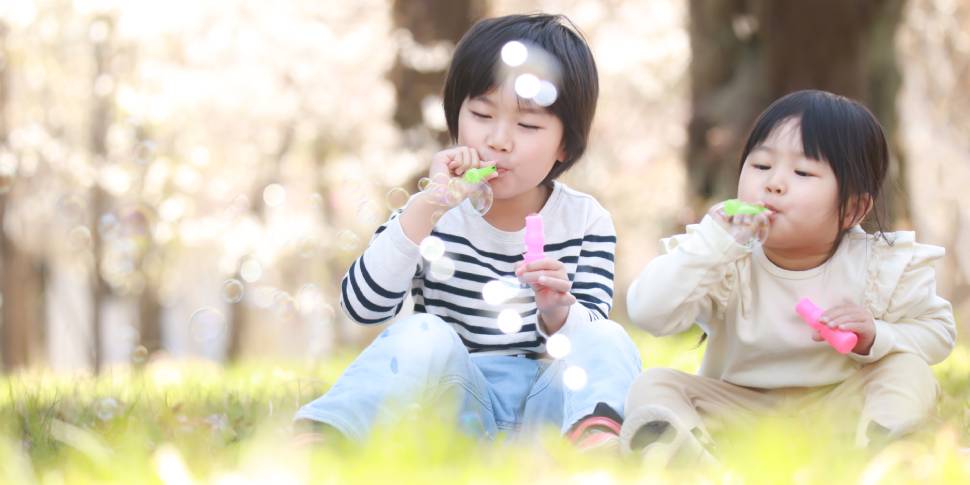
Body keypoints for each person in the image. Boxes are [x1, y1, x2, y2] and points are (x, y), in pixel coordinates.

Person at [295, 13, 640, 451]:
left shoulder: (587, 222)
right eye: (481, 114)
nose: (499, 140)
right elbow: (362, 307)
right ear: (455, 116)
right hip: (458, 409)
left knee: (607, 335)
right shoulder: (433, 214)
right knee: (422, 331)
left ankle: (596, 442)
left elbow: (591, 342)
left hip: (553, 415)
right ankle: (326, 436)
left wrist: (558, 313)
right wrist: (428, 207)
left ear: (565, 145)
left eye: (528, 125)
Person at [620, 90, 956, 464]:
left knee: (907, 369)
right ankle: (696, 462)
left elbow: (939, 334)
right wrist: (713, 242)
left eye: (802, 172)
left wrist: (876, 336)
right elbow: (649, 312)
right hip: (740, 411)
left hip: (839, 409)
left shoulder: (880, 264)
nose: (774, 183)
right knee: (653, 385)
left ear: (853, 209)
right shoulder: (723, 257)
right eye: (761, 166)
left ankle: (880, 451)